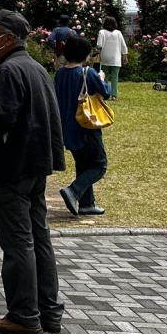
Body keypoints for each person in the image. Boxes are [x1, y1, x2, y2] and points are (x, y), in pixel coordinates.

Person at [0, 10, 65, 334]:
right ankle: (48, 311)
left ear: (9, 38)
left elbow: (1, 121)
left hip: (13, 166)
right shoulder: (36, 68)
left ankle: (25, 315)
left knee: (18, 244)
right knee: (39, 239)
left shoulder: (9, 70)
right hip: (37, 165)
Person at [53, 35, 110, 217]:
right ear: (85, 54)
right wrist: (101, 78)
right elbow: (106, 93)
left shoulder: (60, 73)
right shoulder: (88, 73)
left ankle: (87, 204)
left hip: (67, 128)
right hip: (86, 125)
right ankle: (74, 190)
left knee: (83, 164)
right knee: (99, 165)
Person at [94, 17, 128, 99]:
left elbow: (99, 45)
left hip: (105, 56)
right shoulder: (118, 33)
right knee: (115, 77)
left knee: (104, 76)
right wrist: (125, 55)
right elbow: (123, 45)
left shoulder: (102, 32)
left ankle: (105, 93)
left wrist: (96, 54)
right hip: (116, 58)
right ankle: (114, 95)